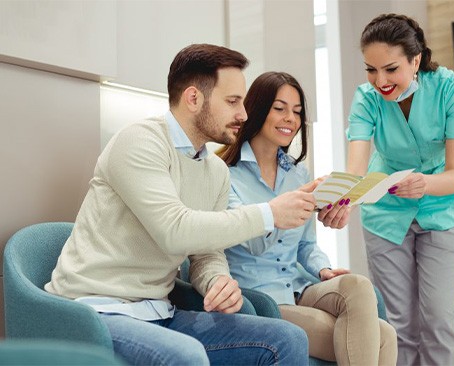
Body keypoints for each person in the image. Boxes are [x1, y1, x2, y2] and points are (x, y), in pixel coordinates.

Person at [45, 44, 316, 366]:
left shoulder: (214, 170)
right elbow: (175, 231)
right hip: (95, 310)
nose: (243, 114)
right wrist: (269, 213)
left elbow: (206, 252)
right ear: (193, 98)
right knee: (184, 355)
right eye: (232, 102)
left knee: (286, 338)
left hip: (160, 311)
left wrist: (216, 280)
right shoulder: (140, 142)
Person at [218, 71, 398, 365]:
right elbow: (251, 243)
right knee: (384, 338)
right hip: (261, 298)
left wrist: (323, 269)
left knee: (359, 286)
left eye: (297, 111)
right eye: (280, 108)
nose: (290, 118)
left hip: (299, 286)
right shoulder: (225, 174)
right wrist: (286, 206)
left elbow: (306, 246)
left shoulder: (297, 173)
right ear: (257, 109)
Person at [343, 14, 454, 366]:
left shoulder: (451, 88)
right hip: (385, 213)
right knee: (396, 325)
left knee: (439, 321)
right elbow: (356, 169)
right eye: (371, 70)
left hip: (442, 208)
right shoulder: (366, 98)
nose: (380, 81)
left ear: (415, 60)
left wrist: (424, 184)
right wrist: (341, 199)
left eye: (390, 69)